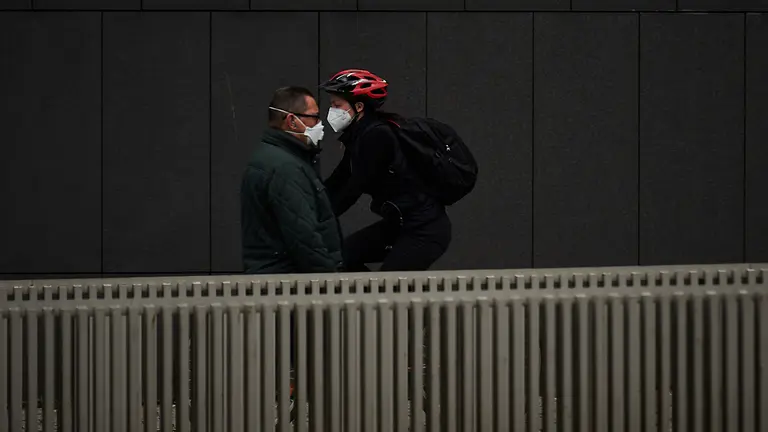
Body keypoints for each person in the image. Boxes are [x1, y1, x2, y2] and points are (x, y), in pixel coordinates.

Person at [319, 69, 451, 271]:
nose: (332, 110)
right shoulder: (359, 136)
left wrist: (319, 220)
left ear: (359, 107)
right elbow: (338, 179)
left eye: (337, 105)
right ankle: (365, 300)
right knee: (342, 257)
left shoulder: (378, 136)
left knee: (389, 287)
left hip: (424, 230)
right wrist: (312, 204)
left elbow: (353, 188)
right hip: (399, 225)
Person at [240, 86, 344, 274]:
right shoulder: (286, 168)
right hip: (288, 284)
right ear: (292, 121)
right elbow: (304, 236)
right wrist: (330, 280)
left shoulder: (271, 158)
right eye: (314, 117)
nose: (320, 124)